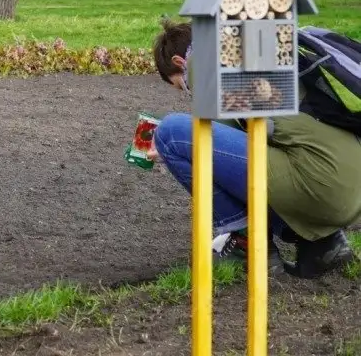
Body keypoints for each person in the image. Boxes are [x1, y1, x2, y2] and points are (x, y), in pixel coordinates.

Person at [149, 18, 360, 279]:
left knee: (170, 132)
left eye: (181, 85)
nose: (187, 90)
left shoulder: (201, 61)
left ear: (179, 63)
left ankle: (245, 244)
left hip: (319, 187)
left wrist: (171, 147)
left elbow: (219, 150)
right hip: (348, 185)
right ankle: (325, 244)